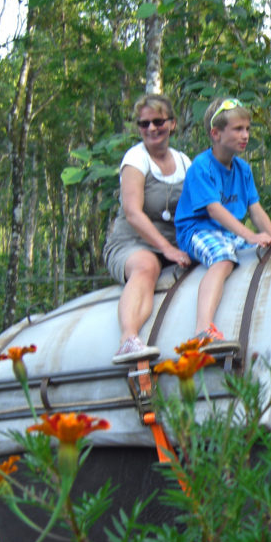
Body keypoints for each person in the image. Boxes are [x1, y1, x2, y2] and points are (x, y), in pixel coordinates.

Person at [174, 97, 271, 346]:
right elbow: (214, 210)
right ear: (216, 133)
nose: (245, 135)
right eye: (238, 129)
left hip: (228, 232)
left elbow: (255, 209)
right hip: (198, 230)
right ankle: (202, 330)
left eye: (248, 129)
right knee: (223, 259)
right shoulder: (202, 166)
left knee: (261, 255)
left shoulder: (243, 169)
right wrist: (251, 236)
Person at [104, 94, 193, 365]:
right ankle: (128, 339)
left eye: (158, 121)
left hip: (173, 245)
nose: (151, 129)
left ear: (172, 124)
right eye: (144, 124)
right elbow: (132, 212)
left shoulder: (185, 162)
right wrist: (167, 249)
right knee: (147, 266)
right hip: (133, 243)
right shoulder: (135, 158)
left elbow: (198, 210)